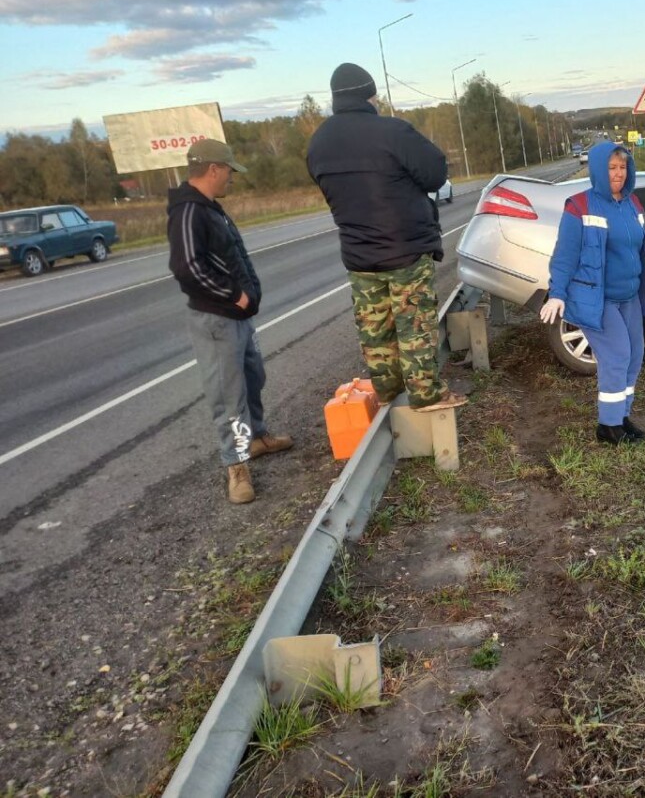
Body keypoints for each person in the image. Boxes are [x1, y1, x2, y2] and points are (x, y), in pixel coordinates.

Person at [306, 62, 465, 413]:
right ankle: (426, 395)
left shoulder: (319, 142)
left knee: (375, 330)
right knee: (415, 326)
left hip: (360, 256)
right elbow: (435, 174)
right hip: (405, 250)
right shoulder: (392, 132)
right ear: (370, 95)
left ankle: (389, 393)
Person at [167, 139, 293, 505]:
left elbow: (231, 256)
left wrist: (248, 297)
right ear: (213, 169)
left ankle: (256, 437)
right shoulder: (188, 212)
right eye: (229, 171)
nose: (232, 178)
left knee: (253, 378)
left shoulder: (210, 208)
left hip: (239, 319)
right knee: (228, 396)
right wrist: (233, 296)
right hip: (217, 321)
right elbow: (187, 268)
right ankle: (235, 465)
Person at [540, 141, 645, 445]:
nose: (618, 173)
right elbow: (564, 256)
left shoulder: (633, 205)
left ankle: (621, 417)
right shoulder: (579, 206)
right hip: (598, 299)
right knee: (617, 356)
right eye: (611, 168)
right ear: (597, 170)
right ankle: (607, 427)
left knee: (634, 356)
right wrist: (557, 293)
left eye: (622, 167)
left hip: (630, 297)